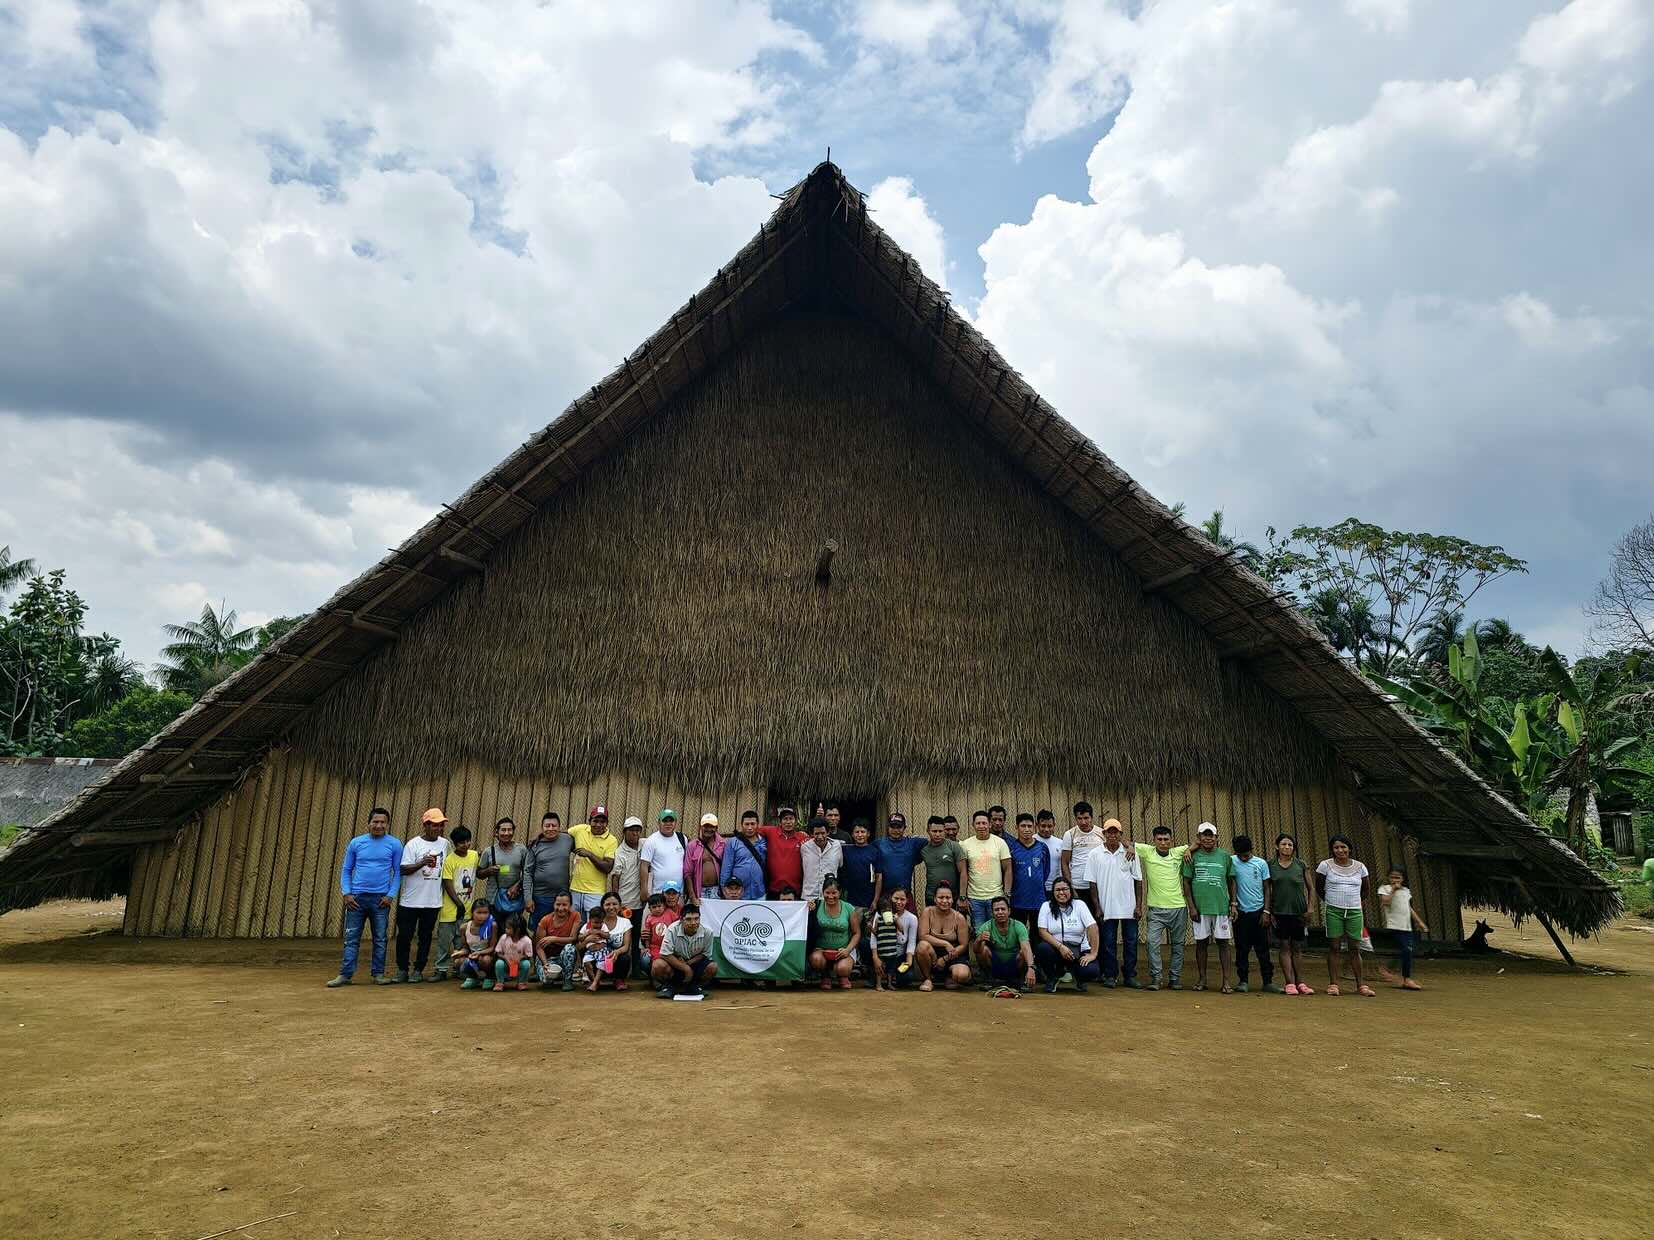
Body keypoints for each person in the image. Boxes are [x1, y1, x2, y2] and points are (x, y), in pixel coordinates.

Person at [327, 807, 402, 987]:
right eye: (375, 822)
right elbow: (346, 870)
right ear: (368, 823)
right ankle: (345, 975)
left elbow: (398, 872)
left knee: (380, 938)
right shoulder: (356, 843)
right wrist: (346, 893)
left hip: (381, 900)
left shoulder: (395, 844)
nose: (379, 825)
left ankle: (378, 974)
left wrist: (390, 895)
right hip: (356, 899)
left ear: (388, 824)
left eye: (382, 822)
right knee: (351, 938)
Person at [393, 807, 452, 983]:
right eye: (435, 825)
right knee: (404, 936)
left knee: (425, 937)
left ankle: (418, 969)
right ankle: (402, 969)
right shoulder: (413, 844)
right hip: (410, 901)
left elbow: (449, 865)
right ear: (425, 825)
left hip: (432, 901)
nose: (439, 828)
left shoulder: (445, 844)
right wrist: (421, 863)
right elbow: (403, 869)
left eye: (441, 825)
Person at [1082, 817, 1141, 988]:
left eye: (1116, 832)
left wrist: (1138, 906)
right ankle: (1110, 975)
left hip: (1129, 908)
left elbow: (1138, 880)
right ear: (1104, 833)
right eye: (1109, 831)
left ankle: (1129, 975)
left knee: (1131, 942)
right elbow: (1091, 883)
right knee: (1108, 943)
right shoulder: (1095, 854)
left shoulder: (1130, 853)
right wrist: (1097, 907)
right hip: (1107, 907)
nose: (1112, 835)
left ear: (1121, 834)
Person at [1182, 822, 1237, 993]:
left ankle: (1226, 981)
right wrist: (1191, 906)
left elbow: (1231, 881)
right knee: (1201, 944)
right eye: (1204, 835)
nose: (1208, 838)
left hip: (1221, 907)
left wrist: (1233, 904)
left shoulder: (1225, 856)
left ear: (1216, 837)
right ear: (1198, 838)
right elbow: (1186, 882)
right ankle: (1202, 979)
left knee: (1223, 944)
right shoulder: (1191, 857)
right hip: (1201, 908)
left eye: (1210, 835)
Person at [1137, 824, 1192, 991]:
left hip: (1178, 908)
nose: (1163, 842)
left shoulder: (1177, 852)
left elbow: (1195, 844)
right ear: (1153, 841)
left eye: (1166, 839)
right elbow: (1126, 843)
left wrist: (1189, 849)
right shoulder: (1147, 851)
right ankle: (1156, 978)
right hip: (1156, 909)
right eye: (1159, 839)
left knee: (1178, 945)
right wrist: (1131, 849)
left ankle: (1175, 978)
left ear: (1171, 840)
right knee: (1152, 943)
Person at [1316, 835, 1373, 997]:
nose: (1340, 850)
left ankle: (1360, 985)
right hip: (1333, 910)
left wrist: (1354, 902)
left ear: (1349, 849)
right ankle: (1333, 984)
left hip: (1355, 911)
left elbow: (1366, 890)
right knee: (1334, 947)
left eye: (1343, 847)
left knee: (1354, 948)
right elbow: (1319, 886)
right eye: (1336, 848)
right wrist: (1330, 900)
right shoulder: (1325, 866)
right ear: (1332, 850)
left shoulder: (1360, 867)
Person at [1269, 833, 1317, 995]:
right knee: (1284, 946)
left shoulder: (1301, 865)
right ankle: (1289, 983)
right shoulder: (1271, 865)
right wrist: (1269, 911)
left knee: (1297, 947)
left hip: (1298, 912)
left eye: (1290, 845)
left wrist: (1310, 908)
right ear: (1277, 847)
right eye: (1283, 844)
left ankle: (1300, 982)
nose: (1287, 847)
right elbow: (1267, 890)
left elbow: (1311, 889)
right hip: (1280, 911)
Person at [1035, 877, 1101, 993]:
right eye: (1057, 890)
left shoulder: (1080, 905)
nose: (1061, 893)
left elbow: (1093, 927)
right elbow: (1042, 931)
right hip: (1056, 950)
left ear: (1070, 890)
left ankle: (1079, 977)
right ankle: (1053, 977)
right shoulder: (1046, 906)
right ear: (1053, 892)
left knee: (1092, 970)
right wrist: (1060, 947)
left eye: (1065, 889)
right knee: (1042, 949)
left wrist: (1093, 954)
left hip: (1078, 950)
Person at [1230, 835, 1277, 993]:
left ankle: (1268, 981)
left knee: (1263, 948)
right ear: (1236, 853)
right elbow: (1232, 882)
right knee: (1241, 948)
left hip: (1258, 911)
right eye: (1241, 855)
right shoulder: (1231, 862)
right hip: (1241, 912)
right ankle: (1243, 980)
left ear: (1252, 850)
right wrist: (1234, 905)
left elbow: (1267, 888)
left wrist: (1266, 911)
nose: (1244, 857)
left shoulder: (1261, 863)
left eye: (1247, 854)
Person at [434, 825, 479, 981]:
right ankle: (441, 969)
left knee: (462, 942)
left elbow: (479, 872)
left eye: (467, 841)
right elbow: (448, 883)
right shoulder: (449, 860)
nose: (465, 845)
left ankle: (459, 968)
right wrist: (458, 904)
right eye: (461, 842)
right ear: (454, 844)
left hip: (466, 910)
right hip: (449, 910)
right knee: (444, 941)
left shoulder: (474, 856)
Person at [1377, 867, 1429, 990]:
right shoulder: (1385, 889)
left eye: (1398, 877)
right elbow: (1386, 902)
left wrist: (1420, 922)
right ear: (1388, 878)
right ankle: (1406, 979)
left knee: (1408, 950)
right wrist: (1393, 890)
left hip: (1406, 926)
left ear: (1403, 879)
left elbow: (1409, 908)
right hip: (1394, 926)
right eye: (1392, 877)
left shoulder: (1406, 891)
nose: (1395, 880)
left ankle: (1389, 970)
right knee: (1406, 949)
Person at [960, 809, 1012, 928]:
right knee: (979, 932)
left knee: (997, 931)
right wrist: (963, 896)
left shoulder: (1000, 843)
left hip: (996, 897)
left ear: (989, 824)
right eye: (978, 823)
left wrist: (1007, 894)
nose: (981, 826)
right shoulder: (966, 844)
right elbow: (963, 872)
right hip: (974, 898)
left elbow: (1008, 869)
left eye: (984, 823)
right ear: (973, 825)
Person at [652, 903, 718, 997]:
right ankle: (668, 986)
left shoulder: (708, 932)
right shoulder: (672, 929)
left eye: (696, 918)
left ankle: (696, 987)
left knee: (712, 967)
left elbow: (705, 953)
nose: (693, 923)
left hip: (694, 963)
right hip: (675, 963)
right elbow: (665, 954)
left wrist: (689, 963)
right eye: (688, 919)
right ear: (681, 920)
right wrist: (686, 969)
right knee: (658, 965)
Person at [807, 876, 861, 989]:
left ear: (840, 892)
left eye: (834, 893)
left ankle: (842, 976)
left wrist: (848, 950)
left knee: (843, 968)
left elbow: (857, 933)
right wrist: (808, 911)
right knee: (816, 960)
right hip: (820, 950)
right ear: (822, 892)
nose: (830, 896)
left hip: (843, 950)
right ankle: (825, 975)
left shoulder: (849, 908)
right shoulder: (816, 906)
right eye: (827, 893)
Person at [915, 883, 972, 991]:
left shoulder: (959, 918)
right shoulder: (928, 912)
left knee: (962, 975)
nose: (945, 901)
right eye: (941, 897)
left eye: (948, 898)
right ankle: (928, 979)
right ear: (935, 899)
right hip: (932, 955)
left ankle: (950, 977)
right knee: (922, 946)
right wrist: (945, 943)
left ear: (953, 899)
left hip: (953, 955)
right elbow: (923, 936)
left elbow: (963, 945)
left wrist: (945, 959)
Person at [523, 811, 575, 928]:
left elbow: (581, 833)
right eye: (547, 826)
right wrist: (527, 898)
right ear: (542, 828)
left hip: (563, 898)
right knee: (539, 929)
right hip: (540, 897)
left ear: (559, 827)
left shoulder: (568, 840)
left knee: (562, 929)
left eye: (554, 826)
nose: (550, 829)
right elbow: (527, 872)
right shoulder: (535, 845)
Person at [974, 895, 1036, 991]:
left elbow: (1026, 947)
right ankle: (989, 980)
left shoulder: (1019, 926)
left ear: (1009, 911)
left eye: (1003, 909)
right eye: (996, 910)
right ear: (992, 913)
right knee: (983, 950)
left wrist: (1031, 968)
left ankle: (1021, 980)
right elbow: (976, 951)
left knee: (1023, 952)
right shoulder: (986, 926)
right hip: (995, 964)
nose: (1000, 912)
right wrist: (979, 940)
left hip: (1015, 964)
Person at [578, 891, 634, 992]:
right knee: (585, 953)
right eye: (608, 904)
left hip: (615, 960)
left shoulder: (625, 922)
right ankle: (594, 980)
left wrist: (616, 952)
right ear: (602, 906)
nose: (611, 907)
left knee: (624, 957)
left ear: (620, 906)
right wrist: (587, 940)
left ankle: (619, 980)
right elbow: (579, 946)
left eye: (615, 904)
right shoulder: (592, 923)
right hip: (595, 957)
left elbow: (626, 947)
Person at [568, 806, 618, 917]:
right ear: (589, 821)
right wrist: (540, 835)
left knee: (592, 926)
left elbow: (608, 868)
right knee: (574, 925)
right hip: (575, 889)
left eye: (602, 821)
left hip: (595, 893)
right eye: (595, 821)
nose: (599, 825)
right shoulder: (580, 829)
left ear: (607, 823)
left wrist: (589, 854)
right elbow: (561, 834)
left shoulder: (611, 840)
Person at [477, 817, 527, 924]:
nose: (506, 833)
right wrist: (488, 871)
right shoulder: (489, 851)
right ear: (496, 832)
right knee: (495, 930)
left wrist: (517, 886)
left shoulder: (521, 850)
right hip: (493, 899)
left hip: (514, 898)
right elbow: (479, 874)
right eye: (503, 830)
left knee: (513, 930)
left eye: (509, 830)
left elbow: (528, 873)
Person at [1006, 814, 1051, 932]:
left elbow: (1045, 871)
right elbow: (1008, 872)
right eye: (1023, 826)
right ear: (1016, 827)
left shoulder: (1042, 847)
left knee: (1038, 935)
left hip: (1038, 900)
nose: (1026, 829)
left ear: (1034, 827)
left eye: (1029, 826)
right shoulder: (1011, 847)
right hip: (1018, 900)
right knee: (1018, 934)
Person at [534, 890, 583, 991]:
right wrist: (545, 963)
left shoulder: (575, 916)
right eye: (558, 904)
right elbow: (539, 947)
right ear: (553, 904)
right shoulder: (545, 920)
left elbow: (573, 938)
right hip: (547, 958)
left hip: (563, 957)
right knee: (546, 980)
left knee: (570, 948)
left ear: (570, 905)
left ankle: (567, 980)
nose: (560, 908)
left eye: (564, 905)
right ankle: (551, 974)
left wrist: (553, 939)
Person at [874, 812, 926, 906]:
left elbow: (933, 842)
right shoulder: (879, 843)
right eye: (892, 827)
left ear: (904, 828)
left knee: (911, 920)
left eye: (899, 827)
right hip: (885, 895)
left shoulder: (913, 843)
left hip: (905, 894)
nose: (895, 830)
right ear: (888, 827)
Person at [869, 891, 918, 990]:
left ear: (907, 901)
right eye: (896, 898)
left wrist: (908, 962)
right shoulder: (878, 916)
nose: (899, 902)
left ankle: (891, 980)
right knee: (864, 945)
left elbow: (911, 941)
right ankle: (877, 981)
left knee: (906, 978)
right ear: (891, 898)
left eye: (902, 899)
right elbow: (874, 936)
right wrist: (875, 958)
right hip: (881, 952)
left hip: (897, 955)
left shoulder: (912, 918)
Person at [1061, 801, 1105, 905]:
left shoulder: (1102, 833)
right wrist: (1070, 886)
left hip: (1099, 885)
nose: (1083, 822)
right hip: (1078, 886)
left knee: (1099, 918)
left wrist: (1130, 847)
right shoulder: (1070, 834)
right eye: (1079, 819)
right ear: (1075, 818)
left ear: (1092, 817)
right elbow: (1064, 862)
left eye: (1086, 818)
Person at [757, 807, 807, 897]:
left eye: (791, 818)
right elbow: (753, 829)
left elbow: (818, 839)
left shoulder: (802, 837)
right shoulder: (771, 832)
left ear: (795, 821)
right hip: (774, 888)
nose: (788, 822)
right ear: (780, 822)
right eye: (785, 819)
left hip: (795, 890)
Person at [919, 816, 966, 908]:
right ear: (928, 831)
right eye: (934, 831)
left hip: (952, 896)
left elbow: (963, 872)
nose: (937, 834)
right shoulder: (923, 849)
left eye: (940, 831)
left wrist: (962, 897)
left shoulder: (954, 846)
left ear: (944, 830)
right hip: (931, 896)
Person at [719, 811, 768, 899]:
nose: (750, 828)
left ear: (758, 825)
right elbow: (726, 868)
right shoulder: (733, 842)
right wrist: (724, 891)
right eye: (747, 824)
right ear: (741, 825)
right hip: (737, 894)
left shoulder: (764, 842)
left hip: (759, 893)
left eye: (753, 824)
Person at [640, 809, 686, 901]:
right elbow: (644, 866)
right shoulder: (651, 841)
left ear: (676, 823)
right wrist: (644, 890)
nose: (668, 824)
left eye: (671, 821)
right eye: (665, 821)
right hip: (658, 894)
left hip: (678, 894)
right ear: (659, 823)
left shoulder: (682, 838)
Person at [800, 816, 844, 904]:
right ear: (812, 834)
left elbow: (840, 865)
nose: (820, 837)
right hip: (809, 898)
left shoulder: (837, 846)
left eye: (823, 833)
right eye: (816, 833)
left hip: (830, 897)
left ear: (828, 832)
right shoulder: (805, 847)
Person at [455, 900, 497, 989]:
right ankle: (473, 978)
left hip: (487, 956)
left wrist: (480, 953)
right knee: (458, 961)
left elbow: (492, 948)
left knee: (485, 960)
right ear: (472, 913)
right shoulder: (464, 927)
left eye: (485, 913)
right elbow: (465, 947)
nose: (482, 916)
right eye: (479, 912)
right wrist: (460, 952)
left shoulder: (492, 925)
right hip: (472, 956)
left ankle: (490, 977)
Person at [684, 814, 726, 901]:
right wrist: (692, 896)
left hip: (717, 891)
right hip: (698, 891)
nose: (709, 829)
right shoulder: (692, 846)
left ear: (716, 828)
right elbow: (687, 873)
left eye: (712, 826)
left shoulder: (723, 844)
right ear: (701, 827)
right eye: (706, 826)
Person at [610, 817, 645, 913]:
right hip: (625, 901)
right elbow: (615, 878)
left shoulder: (645, 844)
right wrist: (616, 901)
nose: (635, 833)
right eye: (631, 830)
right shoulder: (619, 852)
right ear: (624, 832)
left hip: (641, 902)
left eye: (637, 830)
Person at [640, 890, 680, 972]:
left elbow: (678, 924)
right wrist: (647, 947)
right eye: (654, 907)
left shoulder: (669, 913)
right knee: (648, 960)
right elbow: (647, 934)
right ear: (650, 909)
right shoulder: (649, 918)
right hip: (655, 947)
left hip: (670, 946)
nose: (657, 909)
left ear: (664, 906)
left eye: (659, 906)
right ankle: (653, 976)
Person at [493, 914, 534, 992]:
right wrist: (505, 959)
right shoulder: (503, 938)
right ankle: (500, 982)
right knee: (499, 963)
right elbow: (498, 952)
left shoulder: (526, 940)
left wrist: (520, 958)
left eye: (508, 928)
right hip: (506, 963)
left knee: (526, 964)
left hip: (518, 964)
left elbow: (528, 955)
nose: (506, 930)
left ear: (517, 930)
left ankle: (521, 982)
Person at [1035, 810, 1063, 900]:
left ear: (1054, 825)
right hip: (1038, 888)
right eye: (1043, 826)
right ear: (1037, 825)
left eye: (1049, 826)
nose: (1046, 829)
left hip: (1056, 888)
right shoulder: (1032, 841)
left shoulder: (1060, 843)